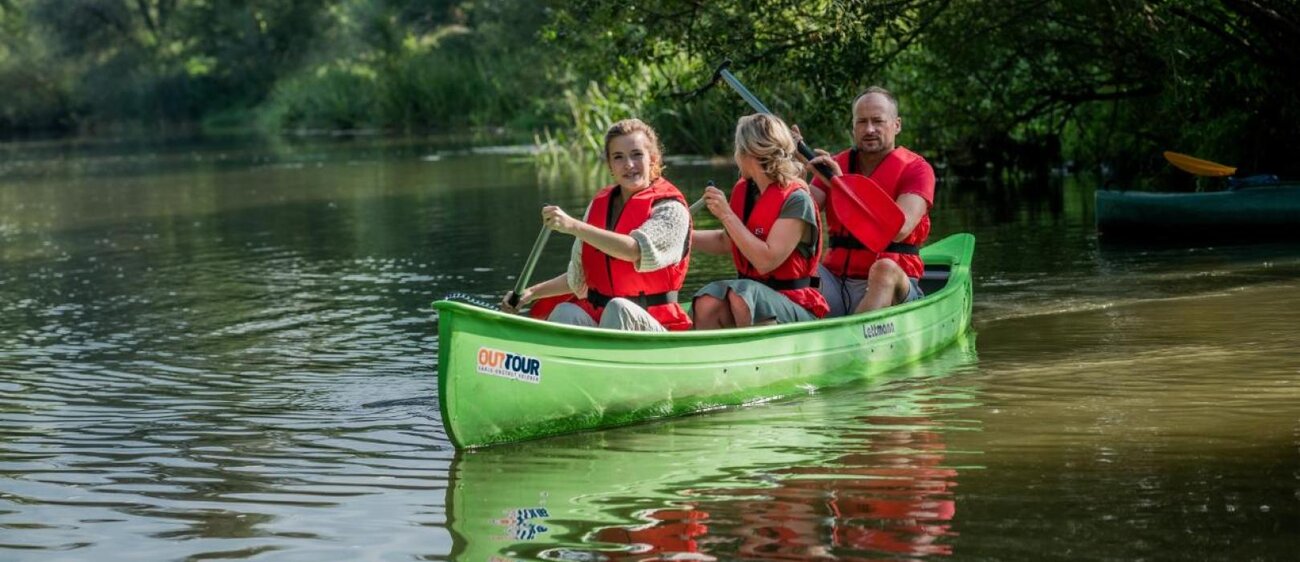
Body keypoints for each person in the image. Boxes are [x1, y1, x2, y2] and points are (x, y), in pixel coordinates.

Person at [500, 118, 692, 331]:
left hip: (657, 327)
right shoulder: (599, 205)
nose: (629, 165)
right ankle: (561, 362)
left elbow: (634, 251)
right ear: (610, 165)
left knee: (619, 308)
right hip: (605, 320)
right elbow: (579, 277)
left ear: (653, 159)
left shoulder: (671, 209)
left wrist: (573, 226)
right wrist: (529, 294)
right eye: (618, 157)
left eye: (637, 154)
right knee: (565, 312)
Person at [801, 86, 936, 316]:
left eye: (878, 121)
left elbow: (899, 229)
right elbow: (800, 219)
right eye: (862, 122)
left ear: (897, 125)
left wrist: (841, 185)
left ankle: (851, 339)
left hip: (892, 284)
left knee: (883, 270)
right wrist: (789, 172)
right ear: (853, 127)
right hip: (835, 280)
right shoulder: (835, 165)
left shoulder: (918, 170)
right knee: (794, 267)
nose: (869, 129)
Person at [691, 113, 829, 329]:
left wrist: (726, 214)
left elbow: (766, 261)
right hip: (750, 297)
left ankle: (754, 356)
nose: (736, 155)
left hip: (796, 305)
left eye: (738, 149)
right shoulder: (746, 191)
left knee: (743, 295)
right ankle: (715, 358)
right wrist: (682, 236)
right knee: (707, 301)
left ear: (748, 154)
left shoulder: (797, 199)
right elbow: (726, 242)